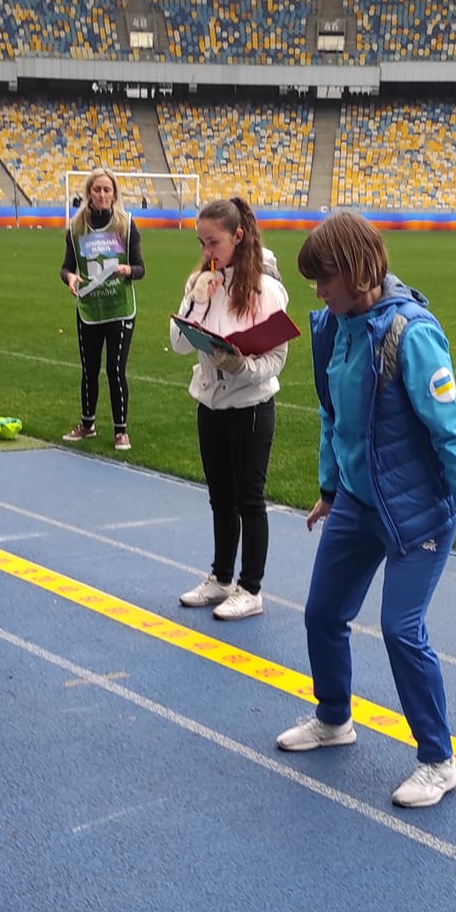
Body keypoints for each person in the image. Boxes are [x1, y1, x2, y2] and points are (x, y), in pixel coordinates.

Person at [277, 211, 456, 810]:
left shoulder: (412, 334)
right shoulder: (331, 326)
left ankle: (438, 760)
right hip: (357, 501)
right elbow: (334, 417)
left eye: (324, 278)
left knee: (402, 630)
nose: (318, 291)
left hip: (417, 511)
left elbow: (453, 432)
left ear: (357, 271)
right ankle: (334, 719)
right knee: (322, 613)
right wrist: (330, 489)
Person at [169, 197, 288, 621]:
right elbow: (179, 342)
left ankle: (251, 587)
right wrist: (196, 301)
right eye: (201, 243)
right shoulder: (201, 280)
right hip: (210, 404)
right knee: (219, 497)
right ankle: (221, 578)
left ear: (238, 236)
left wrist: (241, 365)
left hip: (250, 407)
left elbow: (276, 359)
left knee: (248, 499)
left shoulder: (265, 289)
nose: (206, 252)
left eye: (213, 243)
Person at [59, 168, 146, 451]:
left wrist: (127, 270)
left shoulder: (126, 224)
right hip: (89, 308)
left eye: (107, 190)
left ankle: (121, 430)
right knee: (89, 369)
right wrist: (70, 278)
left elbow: (140, 268)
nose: (102, 195)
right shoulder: (75, 228)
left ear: (115, 194)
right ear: (89, 193)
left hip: (119, 308)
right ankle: (87, 424)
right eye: (97, 190)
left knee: (115, 369)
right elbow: (66, 267)